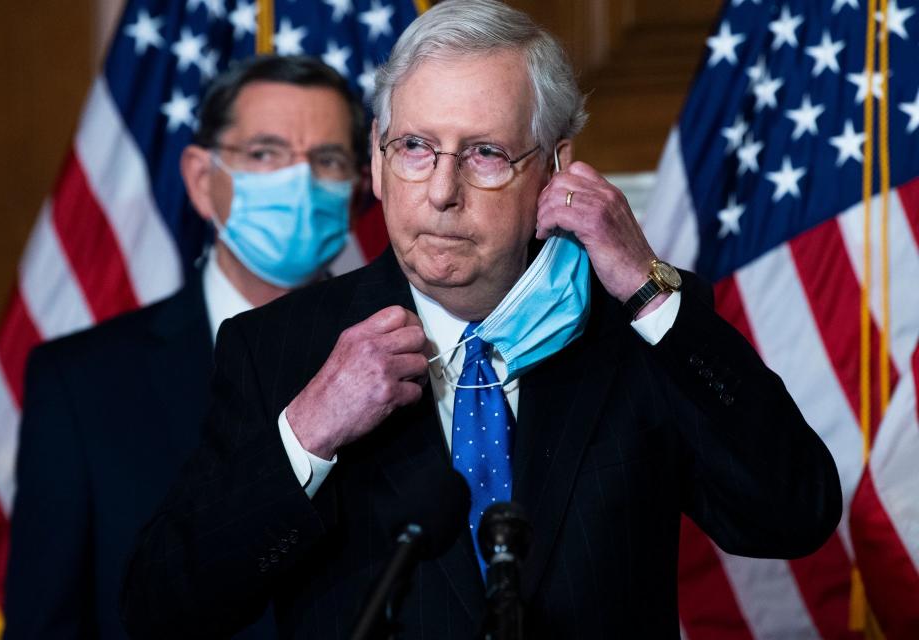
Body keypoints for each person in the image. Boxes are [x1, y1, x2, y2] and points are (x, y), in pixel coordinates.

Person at [120, 2, 843, 638]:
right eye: (414, 148)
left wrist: (649, 294)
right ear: (376, 160)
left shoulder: (636, 328)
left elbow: (794, 512)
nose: (441, 191)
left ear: (556, 169)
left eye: (485, 154)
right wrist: (305, 437)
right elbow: (163, 607)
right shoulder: (277, 348)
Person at [3, 54, 367, 640]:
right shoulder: (78, 382)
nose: (298, 182)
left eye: (326, 159)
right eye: (265, 153)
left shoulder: (408, 357)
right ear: (201, 179)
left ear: (357, 185)